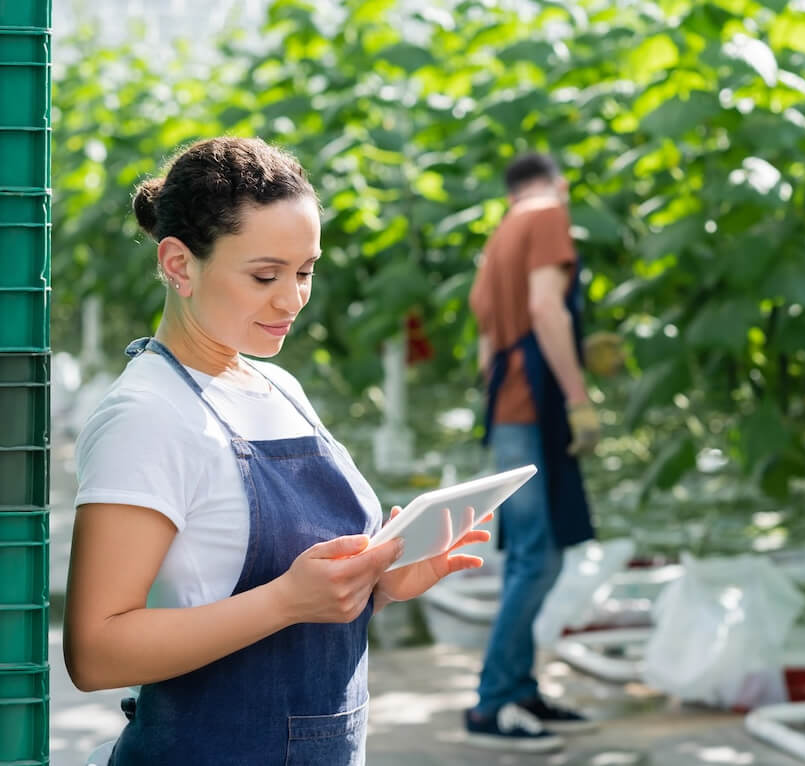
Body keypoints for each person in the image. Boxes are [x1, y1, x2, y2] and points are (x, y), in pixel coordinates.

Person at [63, 137, 491, 766]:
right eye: (265, 276)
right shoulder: (147, 415)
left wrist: (380, 583)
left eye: (305, 271)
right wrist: (285, 601)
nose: (291, 299)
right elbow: (96, 653)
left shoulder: (280, 388)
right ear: (179, 265)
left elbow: (284, 589)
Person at [465, 152, 601, 752]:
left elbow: (486, 339)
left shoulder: (501, 234)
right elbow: (546, 309)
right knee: (537, 558)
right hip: (534, 406)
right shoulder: (547, 215)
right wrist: (578, 398)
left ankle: (518, 689)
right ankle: (494, 700)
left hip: (507, 406)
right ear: (558, 185)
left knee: (533, 553)